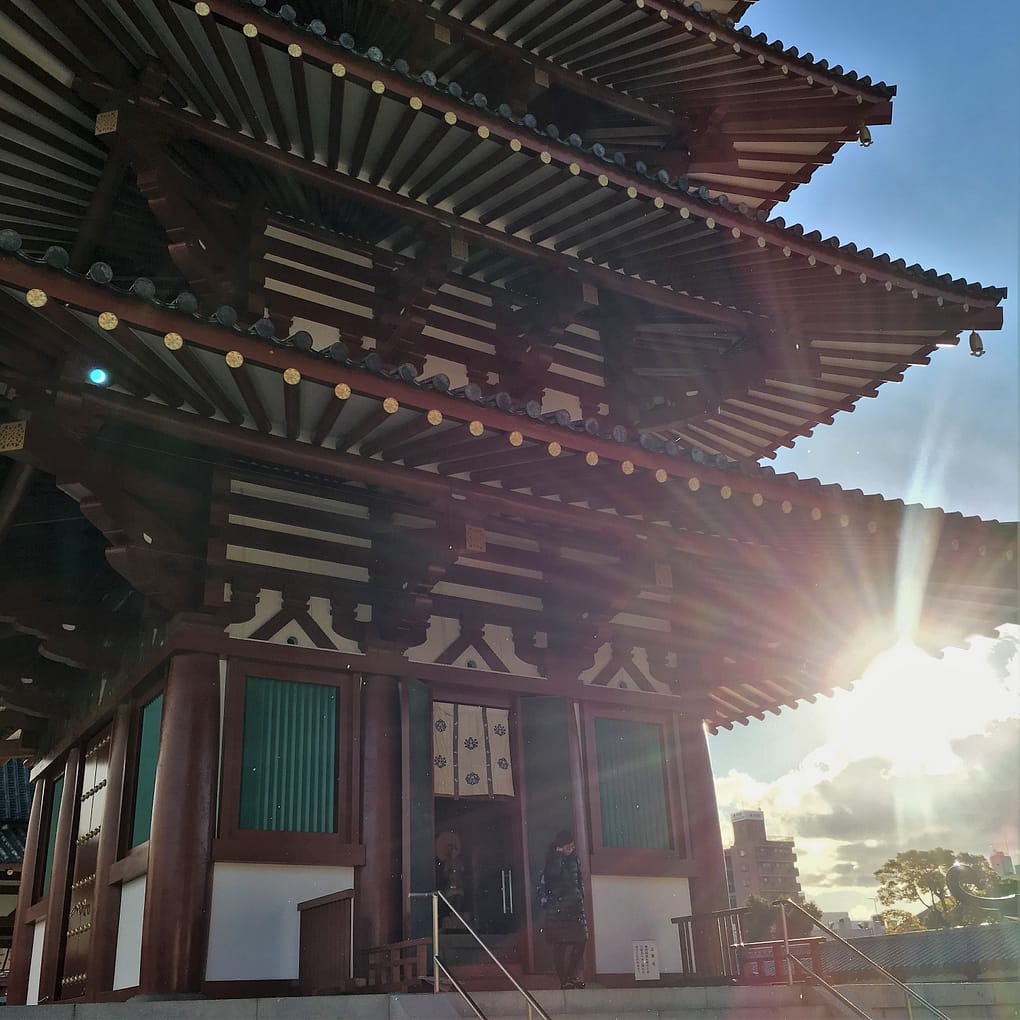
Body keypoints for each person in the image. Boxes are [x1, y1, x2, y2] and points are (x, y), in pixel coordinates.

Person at [543, 829, 587, 989]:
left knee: (581, 940)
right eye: (569, 846)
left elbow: (579, 879)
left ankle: (571, 975)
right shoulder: (553, 858)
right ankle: (564, 979)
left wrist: (580, 894)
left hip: (575, 907)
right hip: (559, 908)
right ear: (561, 846)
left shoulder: (575, 859)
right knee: (560, 944)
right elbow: (552, 876)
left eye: (572, 846)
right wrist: (559, 855)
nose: (572, 849)